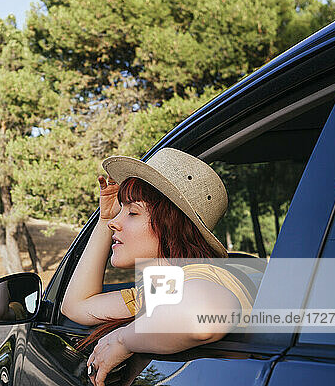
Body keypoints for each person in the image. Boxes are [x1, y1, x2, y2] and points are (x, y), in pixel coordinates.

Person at [61, 148, 254, 386]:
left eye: (132, 212)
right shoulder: (158, 289)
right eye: (120, 211)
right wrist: (103, 219)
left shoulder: (202, 275)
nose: (115, 222)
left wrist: (123, 340)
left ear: (170, 225)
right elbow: (76, 307)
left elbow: (203, 317)